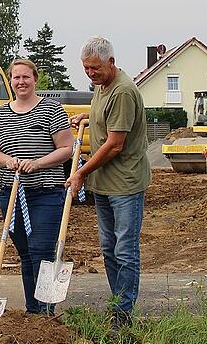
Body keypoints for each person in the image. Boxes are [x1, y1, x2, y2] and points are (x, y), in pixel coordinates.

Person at [65, 36, 151, 328]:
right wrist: (86, 116)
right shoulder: (103, 87)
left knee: (125, 249)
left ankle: (123, 312)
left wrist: (80, 172)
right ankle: (118, 302)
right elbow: (105, 116)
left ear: (111, 62)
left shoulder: (123, 91)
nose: (90, 73)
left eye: (95, 68)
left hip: (125, 184)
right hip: (104, 184)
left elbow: (115, 144)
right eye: (86, 68)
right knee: (108, 247)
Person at [0, 59, 73, 315]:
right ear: (10, 81)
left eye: (26, 77)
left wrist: (37, 164)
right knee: (25, 253)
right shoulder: (1, 114)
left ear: (35, 79)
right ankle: (32, 309)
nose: (21, 82)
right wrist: (8, 161)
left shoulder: (51, 109)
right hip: (11, 193)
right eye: (16, 78)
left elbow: (66, 149)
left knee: (41, 252)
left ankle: (46, 311)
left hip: (45, 192)